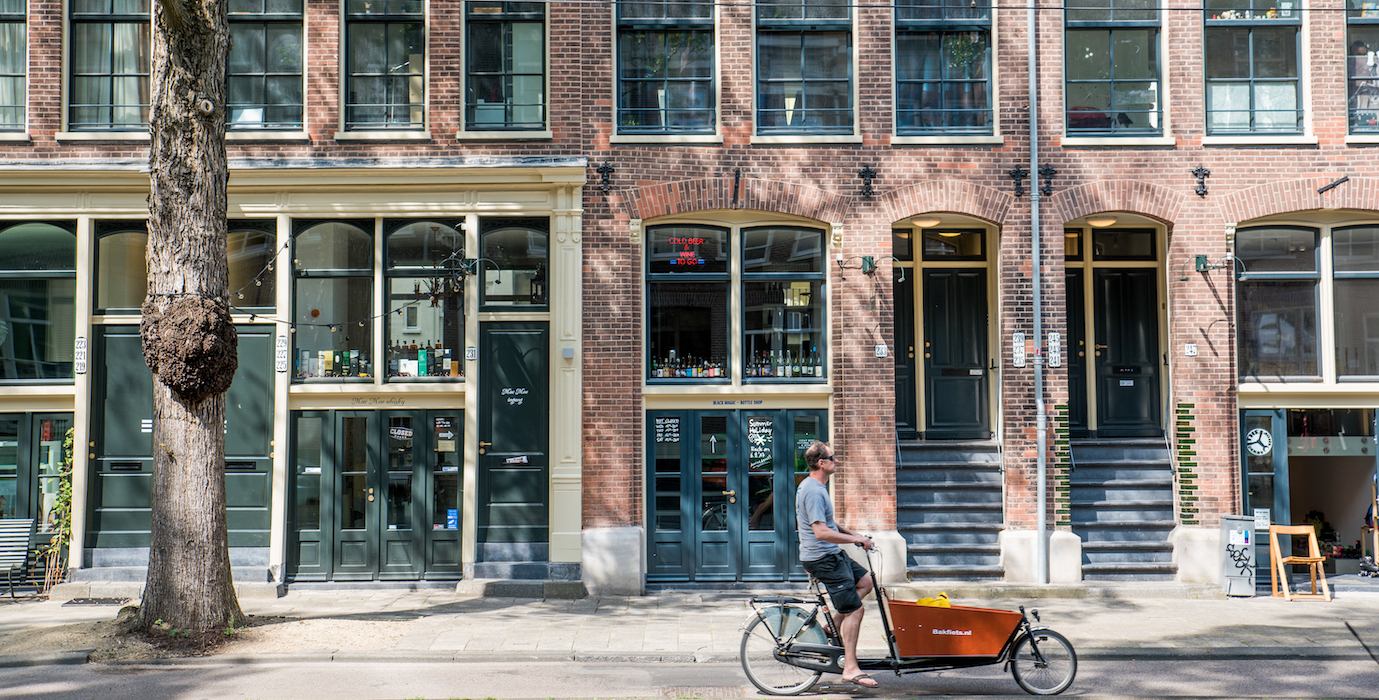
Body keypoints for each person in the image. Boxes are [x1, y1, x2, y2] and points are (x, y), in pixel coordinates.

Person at [797, 440, 878, 689]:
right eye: (833, 458)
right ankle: (850, 668)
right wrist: (854, 539)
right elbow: (821, 532)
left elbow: (830, 524)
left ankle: (830, 626)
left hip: (830, 553)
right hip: (822, 558)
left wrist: (857, 536)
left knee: (866, 582)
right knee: (855, 609)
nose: (837, 461)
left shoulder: (818, 487)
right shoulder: (812, 490)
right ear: (821, 463)